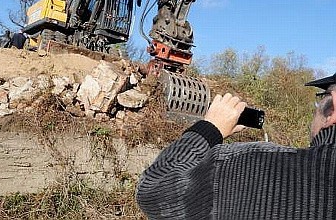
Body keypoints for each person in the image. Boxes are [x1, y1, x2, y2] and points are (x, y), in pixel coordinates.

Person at [137, 73, 336, 219]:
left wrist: (209, 129)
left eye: (321, 100)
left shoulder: (245, 166)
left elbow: (152, 190)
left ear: (333, 106)